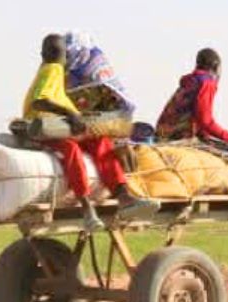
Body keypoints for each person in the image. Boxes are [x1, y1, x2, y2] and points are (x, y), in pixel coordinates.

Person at [23, 34, 157, 232]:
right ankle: (87, 208)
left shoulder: (58, 72)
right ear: (44, 54)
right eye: (56, 53)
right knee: (71, 150)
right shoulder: (53, 68)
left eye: (62, 54)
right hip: (44, 129)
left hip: (59, 126)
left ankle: (124, 197)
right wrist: (71, 114)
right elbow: (39, 101)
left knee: (100, 143)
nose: (60, 58)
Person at [156, 48, 228, 154]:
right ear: (215, 65)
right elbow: (206, 121)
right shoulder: (206, 83)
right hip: (179, 138)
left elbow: (195, 117)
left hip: (162, 134)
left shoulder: (191, 81)